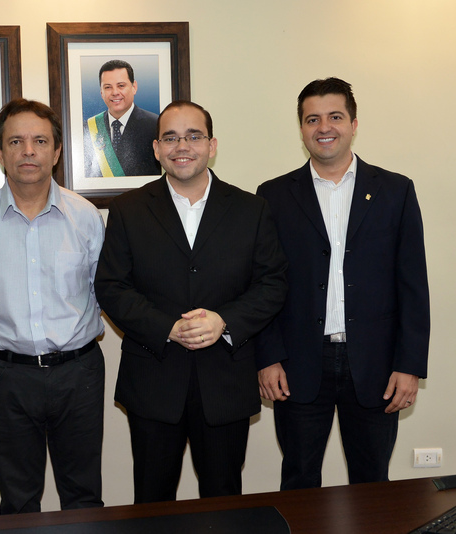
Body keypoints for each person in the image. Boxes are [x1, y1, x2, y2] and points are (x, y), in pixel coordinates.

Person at [94, 101, 288, 503]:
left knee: (223, 501)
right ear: (156, 149)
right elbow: (111, 286)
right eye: (170, 138)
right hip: (153, 379)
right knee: (152, 501)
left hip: (225, 382)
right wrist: (167, 327)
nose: (182, 146)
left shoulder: (251, 209)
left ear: (212, 145)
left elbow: (272, 283)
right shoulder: (128, 209)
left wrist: (224, 321)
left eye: (193, 136)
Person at [255, 77, 430, 490]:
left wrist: (409, 366)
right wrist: (267, 357)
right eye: (312, 119)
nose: (324, 127)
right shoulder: (272, 196)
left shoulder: (395, 191)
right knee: (298, 481)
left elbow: (413, 285)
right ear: (301, 129)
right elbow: (262, 284)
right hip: (298, 364)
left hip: (375, 365)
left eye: (334, 116)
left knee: (373, 484)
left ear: (353, 124)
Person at [0, 99, 106, 514]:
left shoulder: (86, 217)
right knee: (18, 501)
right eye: (15, 141)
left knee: (83, 497)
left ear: (56, 151)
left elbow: (101, 292)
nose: (28, 151)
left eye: (40, 141)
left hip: (78, 374)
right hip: (7, 377)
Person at [83, 59, 161, 177]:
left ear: (134, 87)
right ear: (101, 92)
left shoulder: (156, 125)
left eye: (121, 86)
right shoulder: (87, 128)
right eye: (108, 87)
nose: (115, 92)